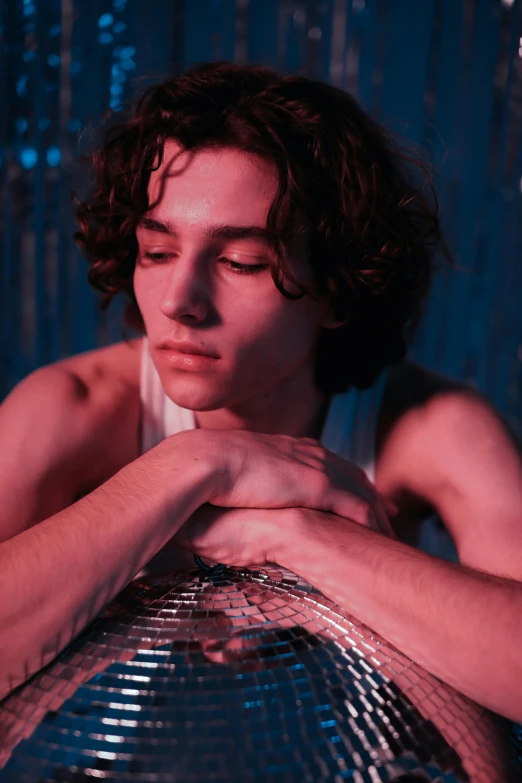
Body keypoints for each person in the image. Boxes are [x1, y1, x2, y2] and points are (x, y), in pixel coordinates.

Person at [0, 61, 521, 724]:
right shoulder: (68, 407)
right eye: (156, 252)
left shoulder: (432, 425)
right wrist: (195, 463)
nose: (179, 301)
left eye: (240, 262)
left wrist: (292, 536)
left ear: (335, 285)